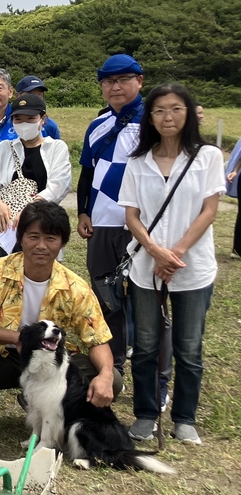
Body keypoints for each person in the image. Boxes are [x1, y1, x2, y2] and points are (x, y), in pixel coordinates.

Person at [0, 201, 122, 447]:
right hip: (3, 357)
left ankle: (38, 401)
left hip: (50, 365)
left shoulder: (75, 287)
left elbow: (97, 339)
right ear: (21, 239)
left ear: (62, 243)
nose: (41, 245)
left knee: (111, 378)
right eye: (33, 236)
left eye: (51, 238)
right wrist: (18, 338)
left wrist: (105, 374)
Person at [120, 83, 223, 446]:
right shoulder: (138, 161)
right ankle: (146, 414)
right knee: (145, 345)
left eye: (176, 109)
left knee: (189, 346)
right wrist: (154, 250)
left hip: (192, 267)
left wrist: (173, 254)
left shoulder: (208, 156)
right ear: (150, 117)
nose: (168, 117)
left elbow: (209, 211)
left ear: (189, 113)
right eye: (160, 110)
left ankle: (185, 418)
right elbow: (131, 215)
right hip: (146, 268)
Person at [77, 54, 145, 373]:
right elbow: (87, 174)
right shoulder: (97, 126)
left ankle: (153, 374)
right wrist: (83, 212)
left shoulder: (155, 122)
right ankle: (113, 365)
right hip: (102, 223)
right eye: (108, 81)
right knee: (106, 296)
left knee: (147, 302)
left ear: (139, 81)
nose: (115, 87)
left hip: (142, 225)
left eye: (122, 80)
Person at [0, 93, 72, 258]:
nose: (24, 124)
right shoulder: (5, 148)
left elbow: (59, 186)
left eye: (30, 118)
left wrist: (29, 210)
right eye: (18, 119)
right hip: (5, 228)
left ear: (43, 119)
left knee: (38, 268)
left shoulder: (56, 148)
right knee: (1, 270)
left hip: (42, 224)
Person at [14, 76, 61, 140]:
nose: (35, 98)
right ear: (17, 96)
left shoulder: (50, 125)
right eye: (30, 94)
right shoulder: (7, 122)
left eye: (39, 95)